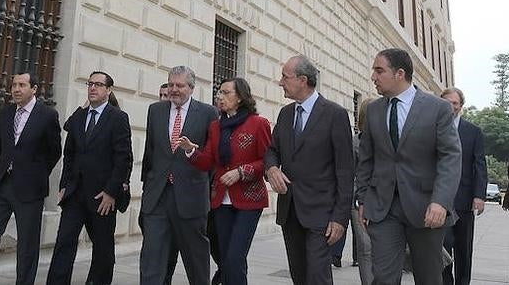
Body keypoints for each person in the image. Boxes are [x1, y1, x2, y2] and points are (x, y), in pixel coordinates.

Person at [356, 48, 462, 285]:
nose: (373, 77)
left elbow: (450, 157)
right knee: (382, 277)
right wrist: (363, 199)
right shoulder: (373, 110)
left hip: (426, 209)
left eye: (379, 70)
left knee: (428, 278)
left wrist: (440, 201)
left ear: (400, 73)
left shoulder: (438, 108)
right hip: (384, 209)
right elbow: (366, 159)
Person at [264, 55, 355, 285]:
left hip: (321, 214)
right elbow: (271, 150)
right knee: (300, 276)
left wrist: (340, 218)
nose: (280, 82)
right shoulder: (285, 114)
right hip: (290, 211)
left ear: (303, 80)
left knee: (318, 277)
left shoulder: (335, 114)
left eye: (285, 76)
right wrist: (272, 168)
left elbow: (345, 170)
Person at [0, 72, 62, 285]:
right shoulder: (6, 113)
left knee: (27, 246)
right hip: (2, 185)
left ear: (34, 89)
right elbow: (3, 146)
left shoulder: (47, 115)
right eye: (14, 85)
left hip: (30, 189)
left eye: (22, 85)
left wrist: (35, 172)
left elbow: (54, 152)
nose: (16, 89)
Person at [178, 77, 272, 285]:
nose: (220, 96)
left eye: (226, 92)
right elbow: (207, 162)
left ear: (240, 97)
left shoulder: (259, 124)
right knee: (227, 259)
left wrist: (241, 172)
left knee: (234, 257)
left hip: (249, 200)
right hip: (221, 201)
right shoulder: (215, 127)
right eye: (219, 92)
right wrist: (191, 150)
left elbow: (267, 161)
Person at [46, 71, 133, 285]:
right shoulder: (80, 117)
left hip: (102, 195)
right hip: (75, 194)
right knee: (64, 242)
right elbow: (70, 153)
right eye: (90, 84)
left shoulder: (118, 118)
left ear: (108, 90)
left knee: (102, 247)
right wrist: (65, 185)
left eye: (99, 85)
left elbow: (124, 158)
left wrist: (112, 192)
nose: (93, 88)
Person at [139, 66, 218, 285]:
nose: (174, 89)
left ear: (191, 88)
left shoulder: (208, 113)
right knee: (151, 259)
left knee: (196, 260)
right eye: (171, 84)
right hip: (157, 197)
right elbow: (150, 153)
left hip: (191, 197)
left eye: (179, 85)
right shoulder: (156, 110)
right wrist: (146, 190)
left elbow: (212, 158)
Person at [440, 87, 487, 285]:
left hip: (465, 199)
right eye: (447, 103)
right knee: (443, 248)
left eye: (454, 103)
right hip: (440, 200)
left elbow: (479, 165)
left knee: (463, 249)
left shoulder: (473, 132)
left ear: (461, 106)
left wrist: (479, 196)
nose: (451, 107)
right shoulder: (433, 128)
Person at [350, 98, 375, 285]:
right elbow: (349, 173)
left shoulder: (389, 140)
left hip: (384, 201)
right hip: (358, 201)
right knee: (365, 247)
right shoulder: (354, 142)